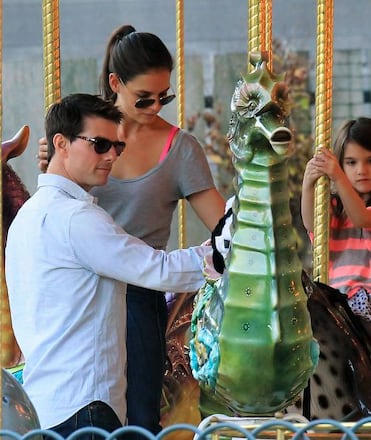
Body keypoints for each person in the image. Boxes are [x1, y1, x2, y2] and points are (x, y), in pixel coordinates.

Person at [37, 24, 226, 434]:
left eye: (165, 96)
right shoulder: (81, 139)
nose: (156, 105)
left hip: (139, 290)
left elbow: (222, 224)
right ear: (114, 83)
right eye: (145, 97)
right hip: (77, 285)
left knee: (138, 414)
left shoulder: (181, 149)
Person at [5, 93, 217, 437]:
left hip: (46, 406)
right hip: (85, 408)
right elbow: (156, 269)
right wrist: (219, 254)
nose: (110, 157)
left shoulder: (29, 216)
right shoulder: (77, 218)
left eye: (117, 147)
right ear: (61, 143)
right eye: (99, 144)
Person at [301, 116, 371, 374]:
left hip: (370, 296)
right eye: (351, 163)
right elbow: (312, 223)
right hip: (333, 295)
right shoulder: (333, 205)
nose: (361, 170)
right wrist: (309, 184)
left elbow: (362, 217)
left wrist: (339, 178)